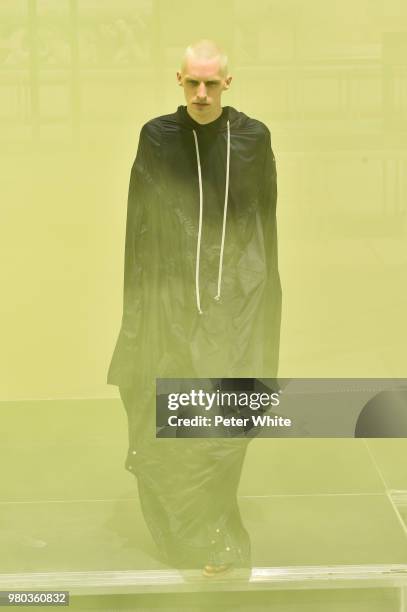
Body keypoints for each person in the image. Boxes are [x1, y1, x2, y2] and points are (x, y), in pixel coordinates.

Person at [107, 39, 282, 575]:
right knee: (169, 419)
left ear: (228, 83)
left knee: (222, 420)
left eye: (210, 83)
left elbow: (261, 229)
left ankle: (215, 532)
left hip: (234, 303)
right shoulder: (157, 138)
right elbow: (140, 227)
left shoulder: (251, 139)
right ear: (178, 80)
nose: (201, 93)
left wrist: (254, 306)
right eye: (191, 82)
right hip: (170, 305)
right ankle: (195, 539)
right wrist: (140, 314)